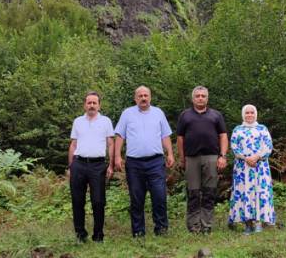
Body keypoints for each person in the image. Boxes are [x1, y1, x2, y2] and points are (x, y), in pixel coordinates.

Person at [114, 86, 175, 237]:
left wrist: (170, 154)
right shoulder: (127, 114)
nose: (143, 98)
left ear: (150, 97)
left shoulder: (158, 113)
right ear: (135, 98)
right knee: (136, 198)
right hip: (134, 164)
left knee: (159, 196)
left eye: (146, 95)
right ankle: (138, 231)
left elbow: (165, 135)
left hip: (155, 162)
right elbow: (120, 136)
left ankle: (161, 229)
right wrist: (117, 156)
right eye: (140, 96)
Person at [176, 86, 228, 234]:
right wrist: (182, 158)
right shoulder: (185, 116)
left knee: (209, 192)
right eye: (197, 96)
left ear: (207, 98)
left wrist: (223, 156)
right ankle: (193, 226)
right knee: (193, 192)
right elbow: (180, 138)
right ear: (193, 98)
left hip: (212, 158)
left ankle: (207, 225)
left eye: (203, 96)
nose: (200, 98)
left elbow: (223, 136)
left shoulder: (216, 115)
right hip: (191, 158)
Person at [68, 91, 115, 243]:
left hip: (98, 165)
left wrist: (111, 165)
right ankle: (80, 234)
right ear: (85, 105)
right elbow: (73, 144)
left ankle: (98, 235)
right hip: (79, 164)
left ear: (99, 105)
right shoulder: (77, 122)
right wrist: (70, 166)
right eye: (89, 103)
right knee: (77, 200)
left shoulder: (106, 121)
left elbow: (111, 143)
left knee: (98, 201)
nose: (92, 105)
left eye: (95, 103)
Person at [228, 104, 275, 234]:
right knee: (244, 193)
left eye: (252, 112)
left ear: (256, 114)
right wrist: (246, 158)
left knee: (260, 192)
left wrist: (256, 157)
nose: (249, 115)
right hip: (242, 168)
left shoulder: (262, 129)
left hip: (260, 167)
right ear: (243, 114)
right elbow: (234, 146)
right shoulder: (238, 129)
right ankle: (247, 224)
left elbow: (268, 145)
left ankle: (259, 223)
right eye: (247, 113)